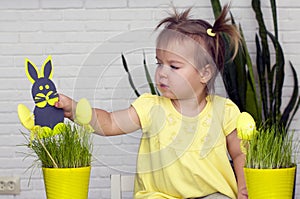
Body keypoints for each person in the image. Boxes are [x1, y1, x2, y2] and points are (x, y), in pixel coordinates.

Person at [55, 4, 248, 199]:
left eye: (174, 66)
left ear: (204, 73)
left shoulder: (225, 111)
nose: (162, 73)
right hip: (158, 195)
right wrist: (75, 109)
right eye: (159, 63)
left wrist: (243, 187)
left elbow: (240, 154)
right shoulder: (150, 107)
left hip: (212, 195)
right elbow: (110, 123)